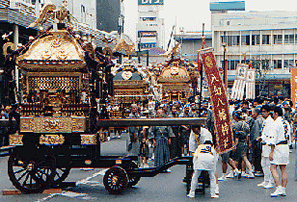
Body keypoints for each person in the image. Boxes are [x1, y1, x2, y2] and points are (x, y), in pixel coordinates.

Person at [268, 107, 290, 197]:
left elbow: (273, 139)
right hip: (286, 146)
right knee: (283, 169)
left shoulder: (276, 123)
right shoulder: (286, 123)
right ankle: (283, 189)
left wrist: (271, 151)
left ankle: (278, 187)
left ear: (276, 113)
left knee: (273, 167)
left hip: (278, 146)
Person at [256, 105, 274, 189]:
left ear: (268, 112)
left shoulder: (270, 122)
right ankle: (266, 180)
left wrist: (262, 138)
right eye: (262, 112)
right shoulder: (265, 121)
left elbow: (269, 134)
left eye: (264, 112)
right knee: (263, 163)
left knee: (268, 164)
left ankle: (271, 181)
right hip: (264, 144)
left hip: (268, 144)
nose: (263, 113)